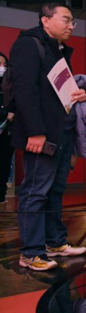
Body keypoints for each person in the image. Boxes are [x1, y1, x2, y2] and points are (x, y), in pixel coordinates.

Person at [11, 2, 86, 271]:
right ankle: (31, 253)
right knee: (35, 192)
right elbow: (25, 92)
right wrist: (35, 132)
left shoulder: (58, 49)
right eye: (66, 20)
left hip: (62, 131)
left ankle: (54, 241)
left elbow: (57, 91)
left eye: (72, 21)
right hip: (42, 134)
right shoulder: (29, 44)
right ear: (46, 20)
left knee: (55, 190)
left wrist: (79, 94)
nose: (71, 26)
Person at [0, 52, 14, 205]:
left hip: (6, 132)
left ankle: (1, 196)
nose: (2, 68)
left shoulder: (10, 85)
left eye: (4, 65)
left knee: (4, 164)